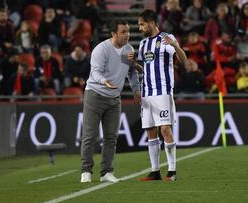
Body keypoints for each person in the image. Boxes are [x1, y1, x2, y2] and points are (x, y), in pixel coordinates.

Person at [129, 9, 187, 181]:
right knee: (151, 131)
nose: (140, 28)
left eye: (141, 24)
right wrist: (134, 63)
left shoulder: (166, 38)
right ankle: (155, 172)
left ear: (152, 23)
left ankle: (172, 171)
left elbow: (183, 59)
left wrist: (175, 45)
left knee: (165, 129)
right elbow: (144, 68)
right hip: (147, 93)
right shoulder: (143, 43)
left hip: (163, 91)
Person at [80, 19, 140, 183]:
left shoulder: (129, 49)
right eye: (123, 32)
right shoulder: (102, 49)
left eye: (128, 31)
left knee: (111, 137)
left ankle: (106, 172)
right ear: (114, 34)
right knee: (90, 136)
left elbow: (132, 72)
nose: (127, 35)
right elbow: (95, 72)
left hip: (114, 99)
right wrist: (104, 81)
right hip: (95, 95)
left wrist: (136, 90)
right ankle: (86, 171)